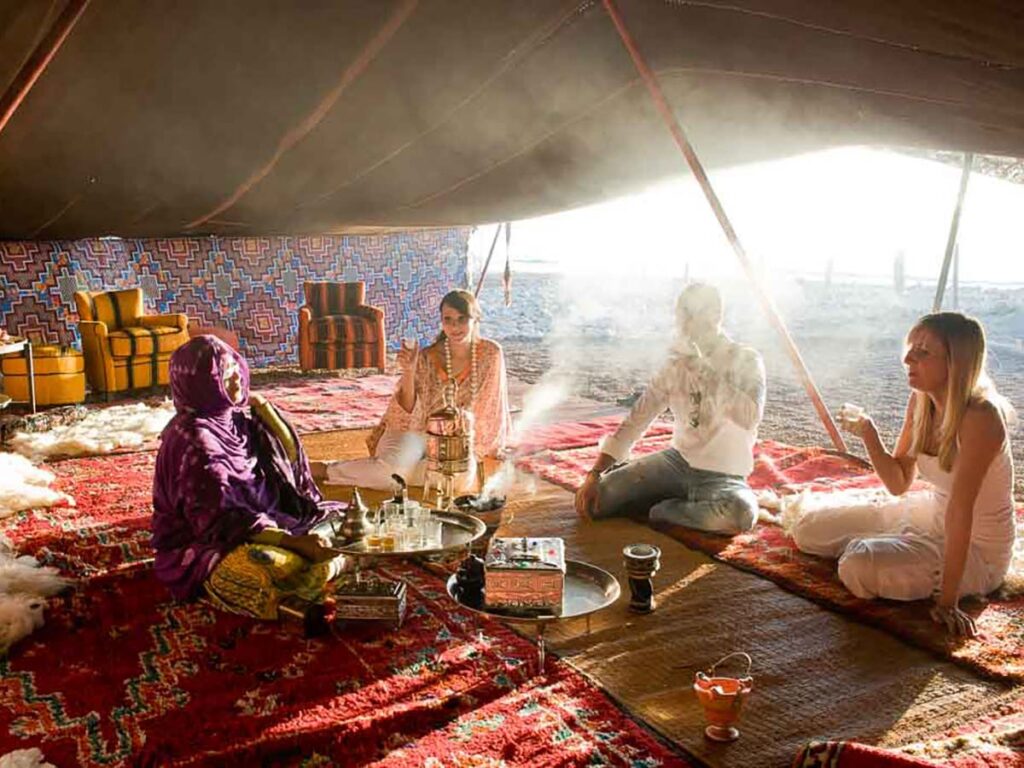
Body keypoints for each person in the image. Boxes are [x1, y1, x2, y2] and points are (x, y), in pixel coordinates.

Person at [790, 312, 1016, 638]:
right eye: (911, 348)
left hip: (977, 547)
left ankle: (885, 549)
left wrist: (949, 601)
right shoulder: (921, 401)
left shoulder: (981, 416)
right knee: (808, 529)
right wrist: (868, 433)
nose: (908, 358)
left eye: (923, 352)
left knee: (858, 567)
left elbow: (961, 509)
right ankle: (890, 545)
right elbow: (898, 483)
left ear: (956, 363)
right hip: (932, 514)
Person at [152, 335, 345, 622]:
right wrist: (294, 543)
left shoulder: (234, 419)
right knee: (262, 569)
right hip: (213, 541)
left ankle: (317, 570)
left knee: (348, 523)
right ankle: (298, 603)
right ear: (202, 386)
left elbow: (291, 459)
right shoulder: (194, 439)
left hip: (271, 521)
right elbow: (222, 520)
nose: (237, 383)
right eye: (225, 379)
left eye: (236, 373)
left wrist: (264, 407)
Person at [575, 283, 765, 533]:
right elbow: (636, 421)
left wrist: (703, 371)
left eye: (692, 318)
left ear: (716, 315)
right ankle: (668, 501)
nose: (685, 328)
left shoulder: (745, 360)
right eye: (681, 319)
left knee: (740, 515)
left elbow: (749, 418)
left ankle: (662, 511)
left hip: (724, 477)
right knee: (597, 500)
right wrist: (595, 474)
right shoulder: (675, 366)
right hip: (676, 464)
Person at [323, 289, 511, 490]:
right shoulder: (426, 356)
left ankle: (400, 474)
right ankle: (325, 469)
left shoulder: (491, 354)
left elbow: (490, 409)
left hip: (453, 438)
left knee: (459, 480)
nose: (455, 326)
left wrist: (460, 442)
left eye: (462, 319)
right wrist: (409, 371)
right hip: (412, 429)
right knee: (401, 475)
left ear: (476, 319)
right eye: (448, 319)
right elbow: (406, 408)